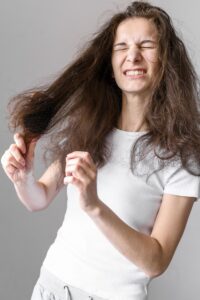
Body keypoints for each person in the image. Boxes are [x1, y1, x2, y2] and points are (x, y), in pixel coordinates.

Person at [1, 1, 200, 299]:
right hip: (51, 287)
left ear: (166, 60)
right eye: (121, 47)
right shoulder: (91, 127)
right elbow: (38, 198)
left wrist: (94, 205)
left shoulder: (182, 155)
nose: (132, 55)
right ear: (110, 62)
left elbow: (156, 261)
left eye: (146, 45)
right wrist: (23, 177)